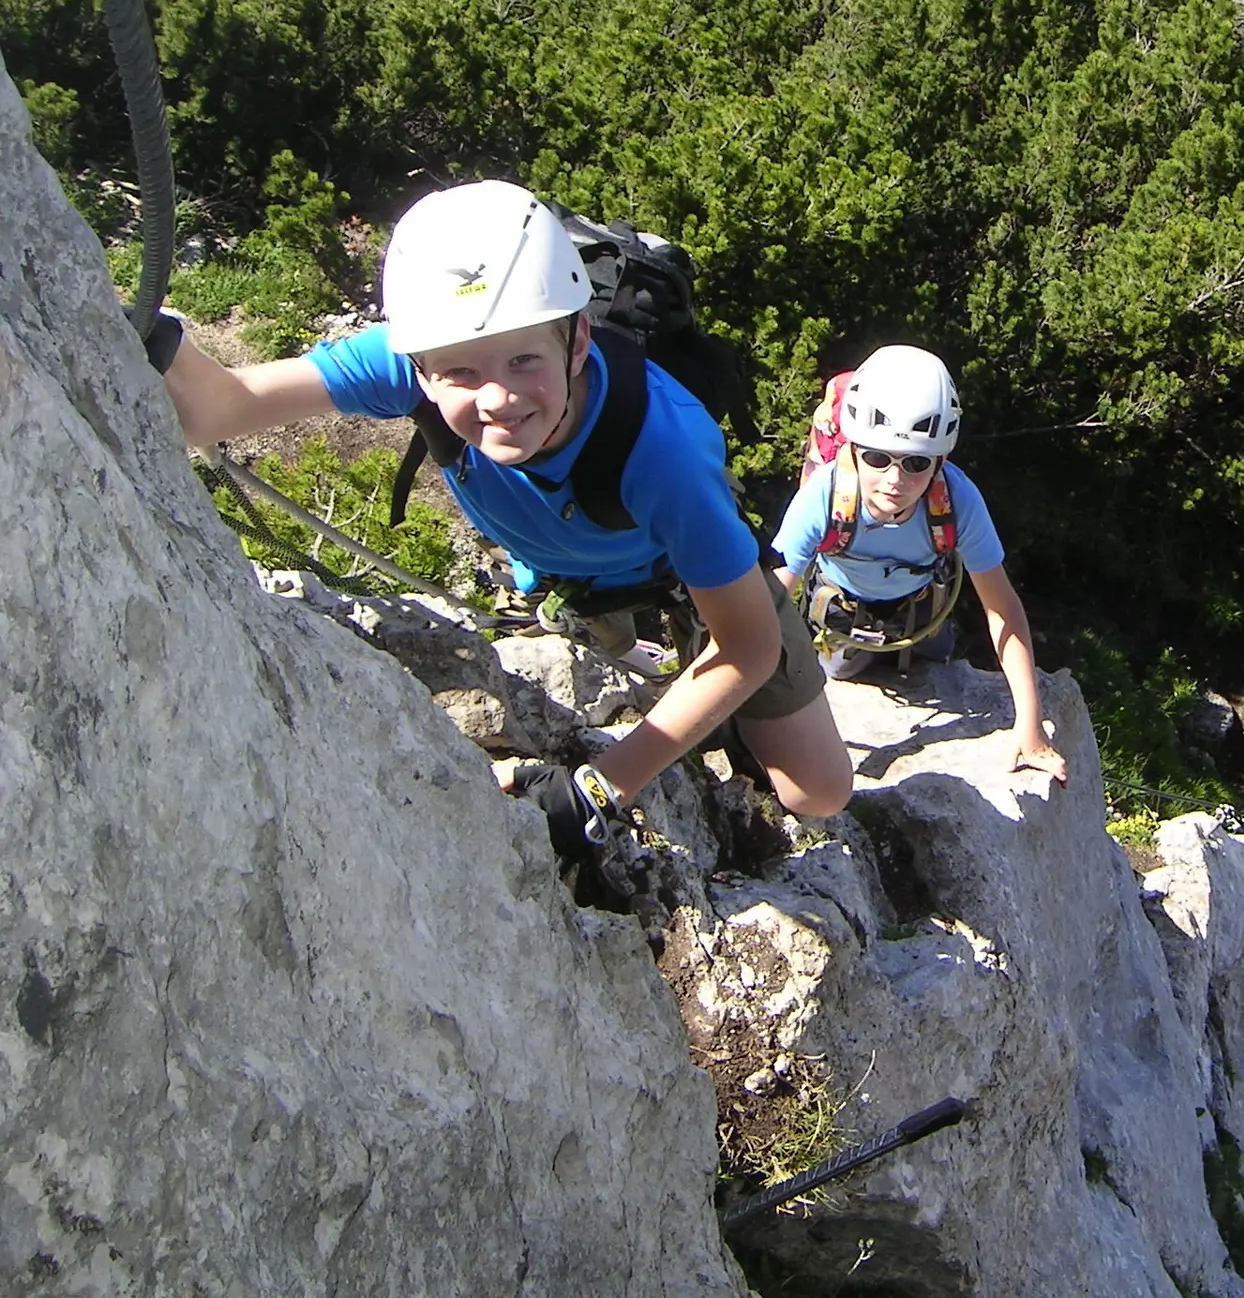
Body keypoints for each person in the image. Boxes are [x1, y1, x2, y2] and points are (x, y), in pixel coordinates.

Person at [159, 179, 854, 842]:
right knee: (645, 665)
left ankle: (719, 711)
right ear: (419, 369)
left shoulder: (662, 451)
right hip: (569, 574)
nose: (496, 398)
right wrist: (152, 335)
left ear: (578, 342)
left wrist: (599, 787)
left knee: (817, 792)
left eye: (524, 360)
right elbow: (221, 407)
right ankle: (618, 644)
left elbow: (748, 645)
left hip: (683, 574)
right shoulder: (412, 359)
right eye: (461, 372)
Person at [771, 345, 1068, 785]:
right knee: (842, 671)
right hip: (844, 623)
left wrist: (1030, 724)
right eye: (877, 458)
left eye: (915, 463)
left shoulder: (958, 501)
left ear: (939, 461)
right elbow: (771, 601)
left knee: (929, 663)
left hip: (922, 618)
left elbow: (1002, 608)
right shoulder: (824, 497)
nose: (895, 480)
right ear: (853, 449)